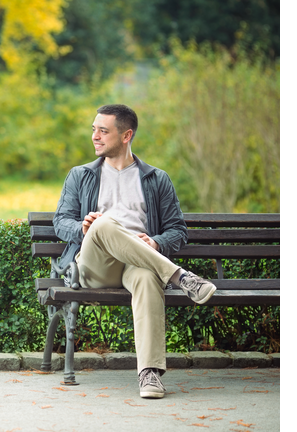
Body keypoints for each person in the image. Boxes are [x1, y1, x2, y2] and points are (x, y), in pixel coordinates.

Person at [53, 104, 216, 399]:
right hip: (95, 266)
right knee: (102, 223)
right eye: (94, 129)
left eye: (103, 131)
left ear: (126, 135)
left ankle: (150, 374)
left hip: (136, 262)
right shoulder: (81, 176)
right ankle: (180, 276)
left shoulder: (156, 179)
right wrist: (83, 228)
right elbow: (60, 221)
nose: (95, 136)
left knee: (146, 277)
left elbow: (177, 231)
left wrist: (155, 243)